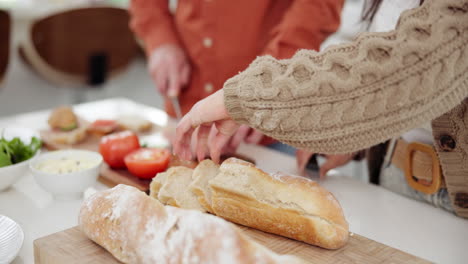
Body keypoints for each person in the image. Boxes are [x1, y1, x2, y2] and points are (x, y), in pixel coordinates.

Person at [173, 0, 468, 218]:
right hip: (392, 179)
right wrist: (354, 129)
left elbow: (413, 65)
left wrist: (246, 97)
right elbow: (373, 44)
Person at [129, 0, 344, 152]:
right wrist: (160, 38)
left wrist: (266, 83)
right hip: (184, 103)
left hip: (270, 128)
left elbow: (316, 6)